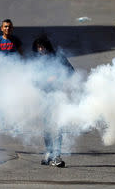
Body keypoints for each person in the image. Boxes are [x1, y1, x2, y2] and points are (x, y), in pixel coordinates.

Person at [32, 35, 74, 168]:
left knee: (57, 126)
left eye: (42, 47)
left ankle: (57, 156)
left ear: (47, 46)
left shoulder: (58, 57)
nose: (41, 50)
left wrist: (57, 76)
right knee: (46, 128)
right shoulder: (37, 61)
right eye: (38, 47)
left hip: (57, 96)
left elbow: (71, 71)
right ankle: (49, 153)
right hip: (43, 97)